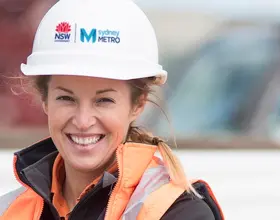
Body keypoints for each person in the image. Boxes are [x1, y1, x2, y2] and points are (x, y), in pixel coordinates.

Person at [0, 0, 224, 219]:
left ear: (138, 104)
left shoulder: (178, 212)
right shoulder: (11, 211)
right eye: (67, 99)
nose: (83, 120)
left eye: (104, 100)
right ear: (45, 101)